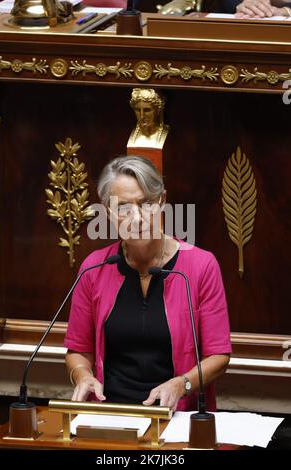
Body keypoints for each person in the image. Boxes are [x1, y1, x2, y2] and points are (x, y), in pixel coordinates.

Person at [64, 155, 231, 411]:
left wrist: (182, 384)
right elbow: (78, 349)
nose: (137, 218)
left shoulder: (201, 266)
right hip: (110, 414)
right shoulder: (94, 268)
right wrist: (82, 375)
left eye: (146, 204)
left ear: (162, 201)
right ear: (107, 211)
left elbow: (218, 355)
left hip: (178, 417)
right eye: (123, 208)